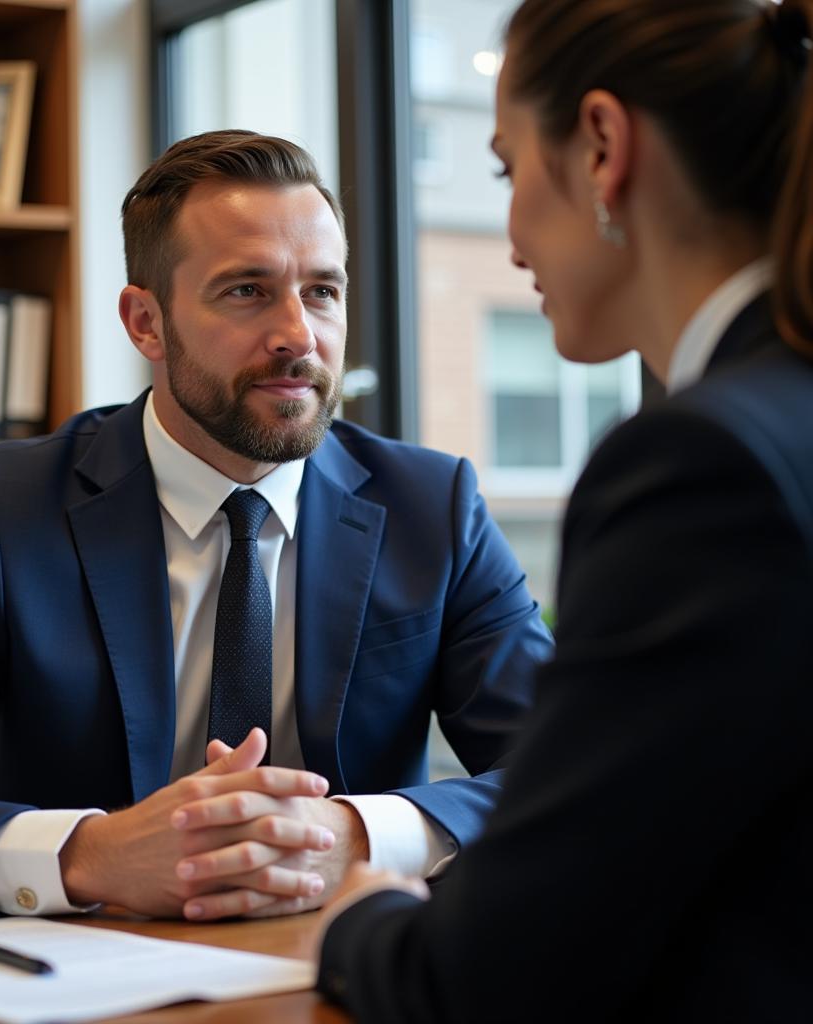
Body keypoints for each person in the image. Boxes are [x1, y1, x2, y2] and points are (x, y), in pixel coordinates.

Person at [0, 130, 551, 923]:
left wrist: (352, 833)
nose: (299, 334)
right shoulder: (0, 510)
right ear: (145, 322)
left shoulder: (432, 507)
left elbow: (575, 769)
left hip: (347, 963)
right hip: (83, 982)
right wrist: (92, 854)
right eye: (247, 291)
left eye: (323, 291)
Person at [316, 0, 813, 1020]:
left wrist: (352, 911)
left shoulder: (698, 468)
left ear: (600, 146)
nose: (505, 238)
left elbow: (488, 978)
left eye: (504, 170)